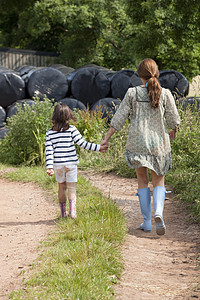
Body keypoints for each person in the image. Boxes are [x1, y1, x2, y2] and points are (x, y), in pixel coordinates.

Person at [102, 58, 180, 235]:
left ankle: (146, 222)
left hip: (138, 143)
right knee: (159, 180)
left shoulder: (132, 93)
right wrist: (174, 129)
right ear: (157, 73)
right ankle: (158, 212)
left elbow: (119, 117)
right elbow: (173, 118)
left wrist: (107, 138)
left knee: (142, 180)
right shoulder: (165, 93)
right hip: (159, 143)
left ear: (139, 75)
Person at [46, 103, 108, 219]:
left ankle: (63, 213)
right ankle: (73, 212)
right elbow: (83, 144)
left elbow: (49, 151)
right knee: (72, 188)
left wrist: (49, 167)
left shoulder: (50, 133)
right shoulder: (72, 130)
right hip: (71, 164)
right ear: (68, 117)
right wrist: (98, 148)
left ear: (54, 116)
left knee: (61, 188)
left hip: (58, 165)